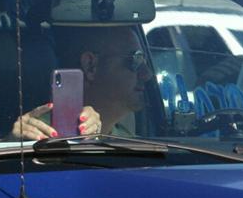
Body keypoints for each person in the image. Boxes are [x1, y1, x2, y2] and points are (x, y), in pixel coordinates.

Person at [14, 25, 153, 138]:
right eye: (136, 60)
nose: (147, 74)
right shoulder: (39, 134)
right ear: (90, 66)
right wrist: (12, 142)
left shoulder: (134, 145)